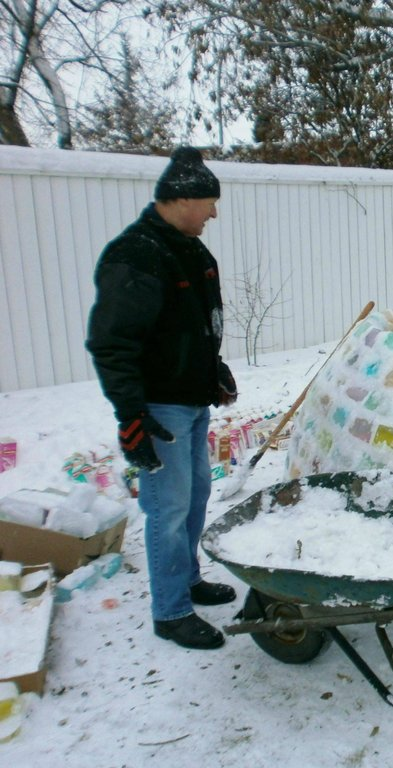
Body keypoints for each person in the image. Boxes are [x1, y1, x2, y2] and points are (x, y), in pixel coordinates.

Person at [86, 146, 239, 651]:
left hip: (191, 403)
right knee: (168, 508)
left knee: (195, 497)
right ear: (183, 198)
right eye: (209, 202)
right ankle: (170, 610)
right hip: (159, 410)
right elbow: (113, 343)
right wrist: (131, 416)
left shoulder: (190, 250)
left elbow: (194, 329)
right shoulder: (136, 254)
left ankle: (188, 579)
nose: (214, 213)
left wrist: (211, 368)